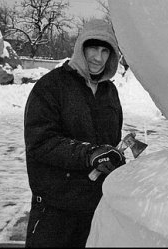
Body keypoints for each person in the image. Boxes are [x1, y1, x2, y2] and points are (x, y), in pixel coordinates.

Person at [23, 19, 126, 247]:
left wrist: (114, 155)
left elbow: (111, 140)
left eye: (104, 51)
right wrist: (89, 153)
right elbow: (40, 143)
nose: (97, 58)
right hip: (55, 211)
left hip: (95, 208)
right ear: (80, 47)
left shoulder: (110, 92)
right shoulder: (51, 86)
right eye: (92, 48)